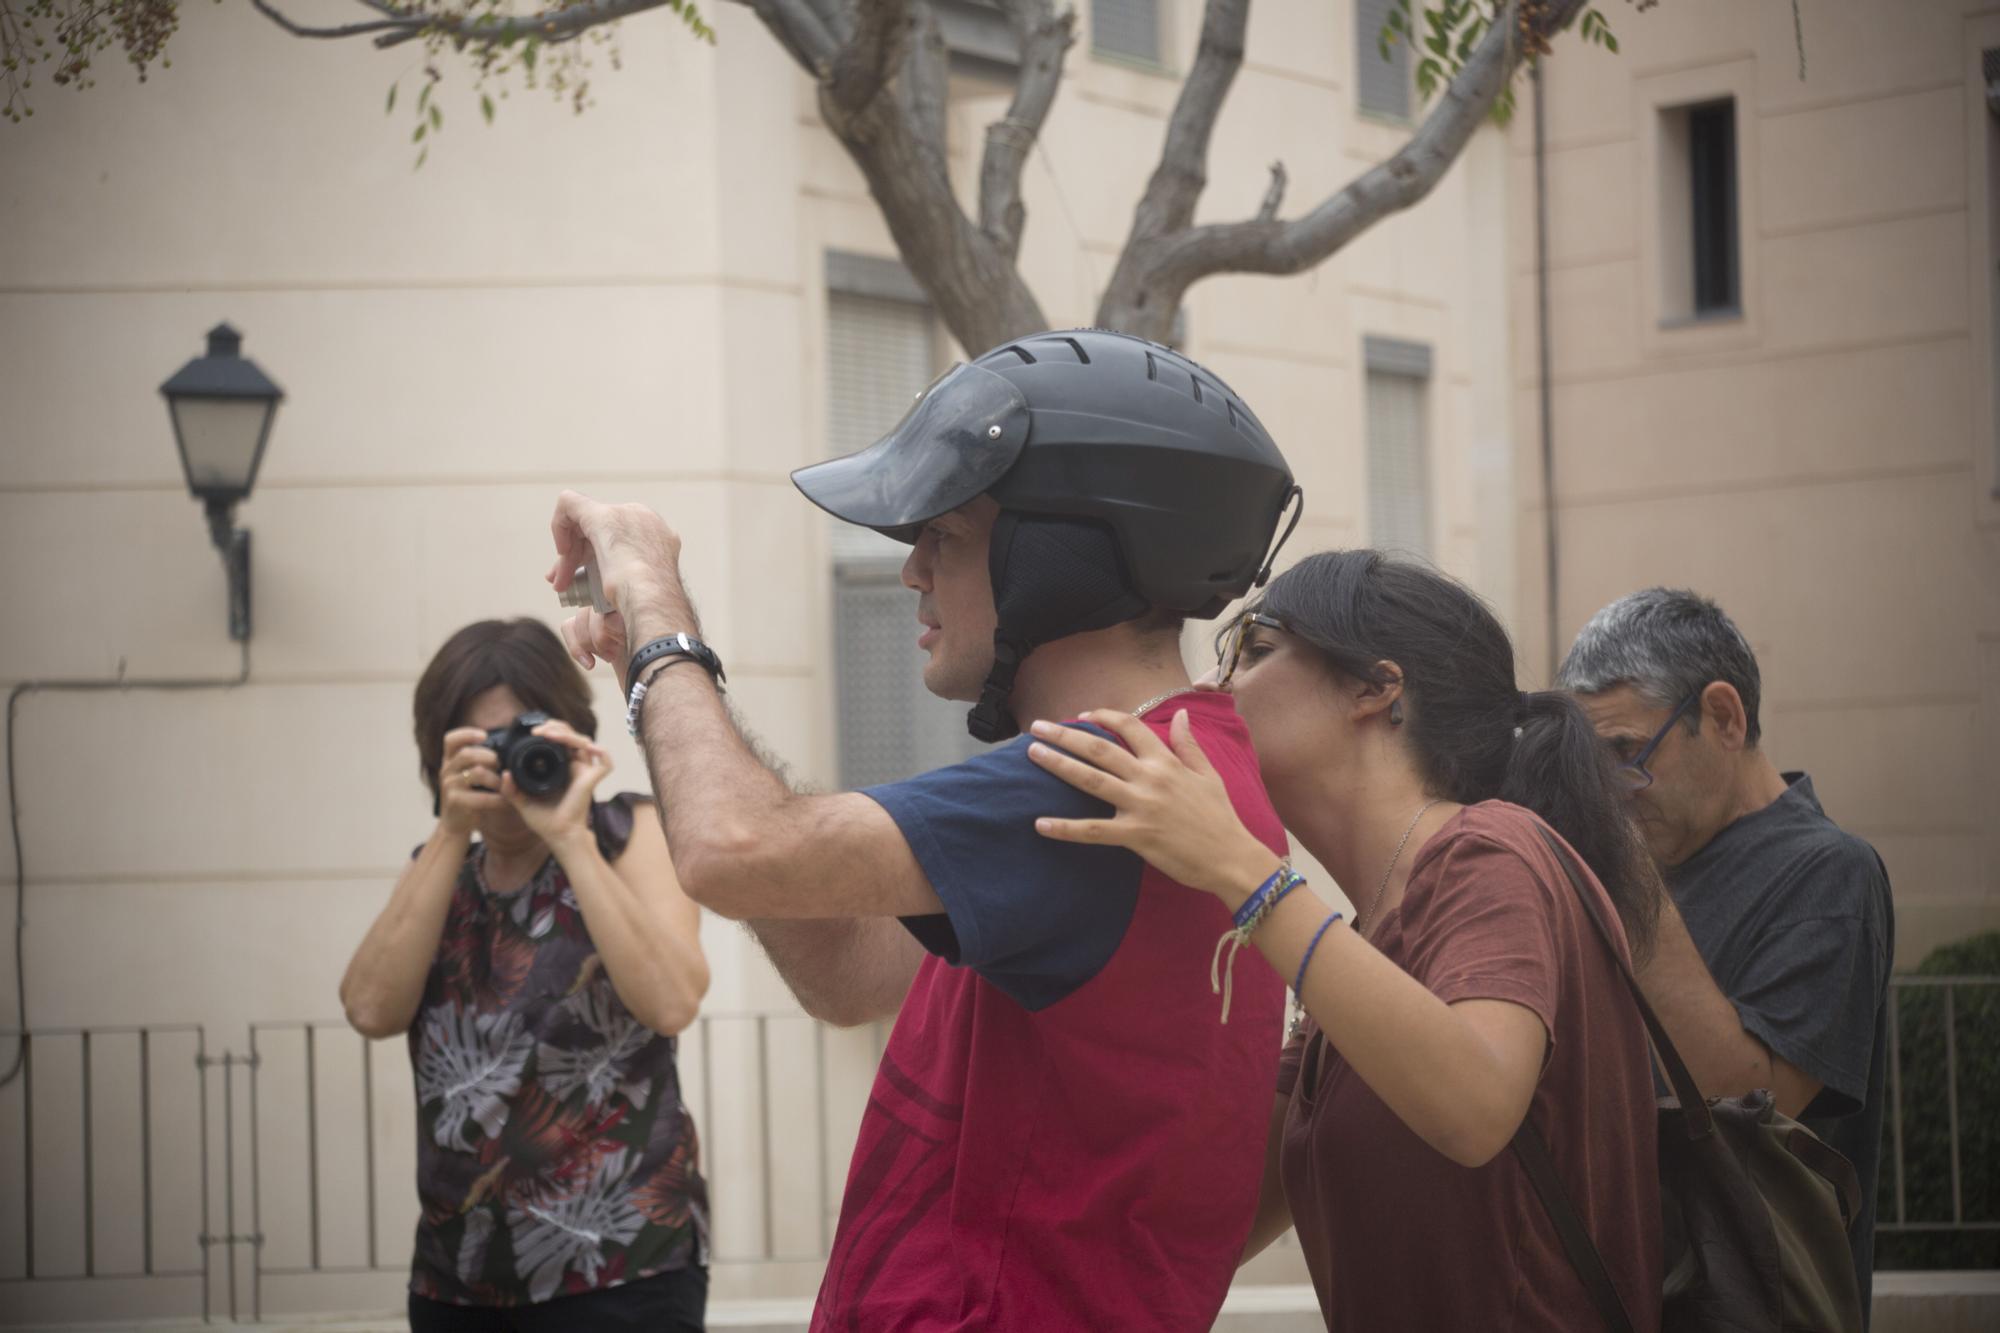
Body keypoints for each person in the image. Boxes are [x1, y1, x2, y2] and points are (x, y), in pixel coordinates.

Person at [544, 328, 1303, 1329]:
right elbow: (848, 968)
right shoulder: (1169, 769)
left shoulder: (1107, 785)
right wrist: (660, 698)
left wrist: (654, 605)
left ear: (1061, 555)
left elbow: (732, 848)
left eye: (942, 534)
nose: (910, 574)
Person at [1023, 549, 1665, 1332]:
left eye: (1254, 650)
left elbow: (1475, 1104)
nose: (1214, 689)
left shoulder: (1493, 849)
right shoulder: (1355, 952)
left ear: (1375, 686)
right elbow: (1204, 1223)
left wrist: (1238, 867)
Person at [339, 618, 711, 1332]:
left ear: (571, 734)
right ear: (439, 752)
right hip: (460, 1278)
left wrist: (569, 837)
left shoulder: (627, 836)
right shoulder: (439, 866)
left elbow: (673, 1000)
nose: (511, 765)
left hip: (628, 1264)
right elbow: (368, 1009)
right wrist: (452, 829)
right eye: (485, 744)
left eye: (526, 736)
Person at [1559, 587, 1894, 1315]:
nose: (1612, 792)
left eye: (1625, 753)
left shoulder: (1830, 871)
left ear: (1723, 716)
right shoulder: (1652, 854)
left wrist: (1625, 879)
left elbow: (1749, 1106)